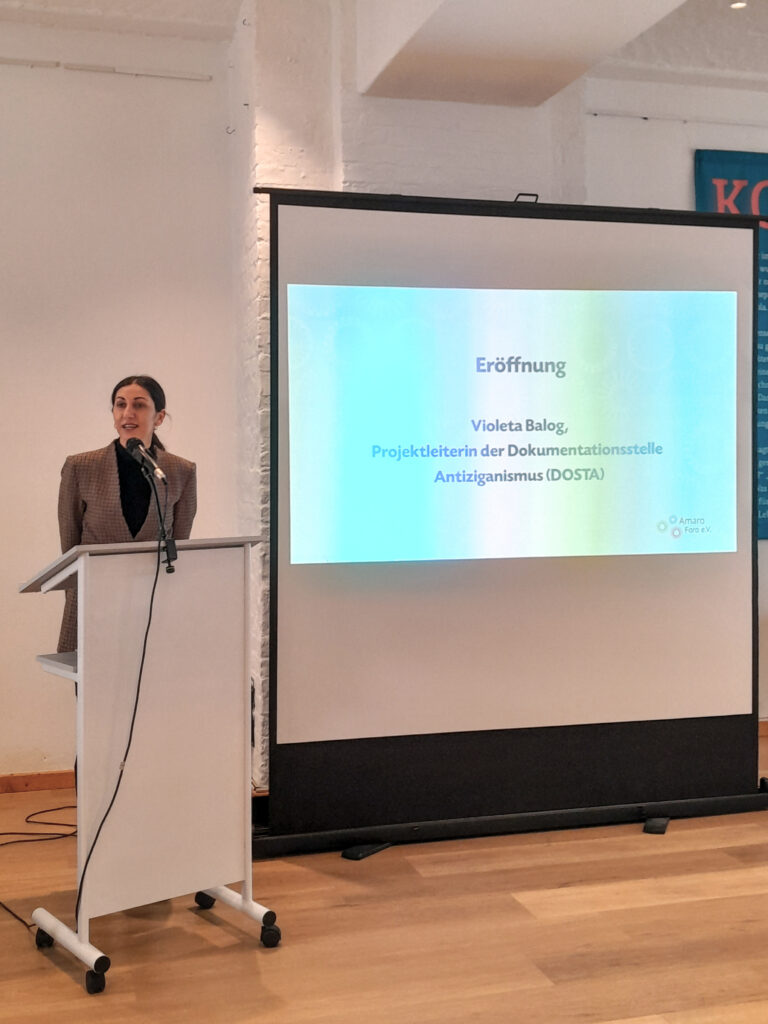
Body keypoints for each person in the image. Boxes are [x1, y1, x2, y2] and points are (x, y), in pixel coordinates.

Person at [57, 375, 197, 653]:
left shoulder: (180, 471)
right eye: (120, 404)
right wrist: (77, 592)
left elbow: (178, 546)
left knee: (154, 676)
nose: (127, 413)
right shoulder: (81, 466)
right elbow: (70, 545)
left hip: (152, 601)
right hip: (95, 600)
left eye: (139, 405)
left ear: (159, 417)